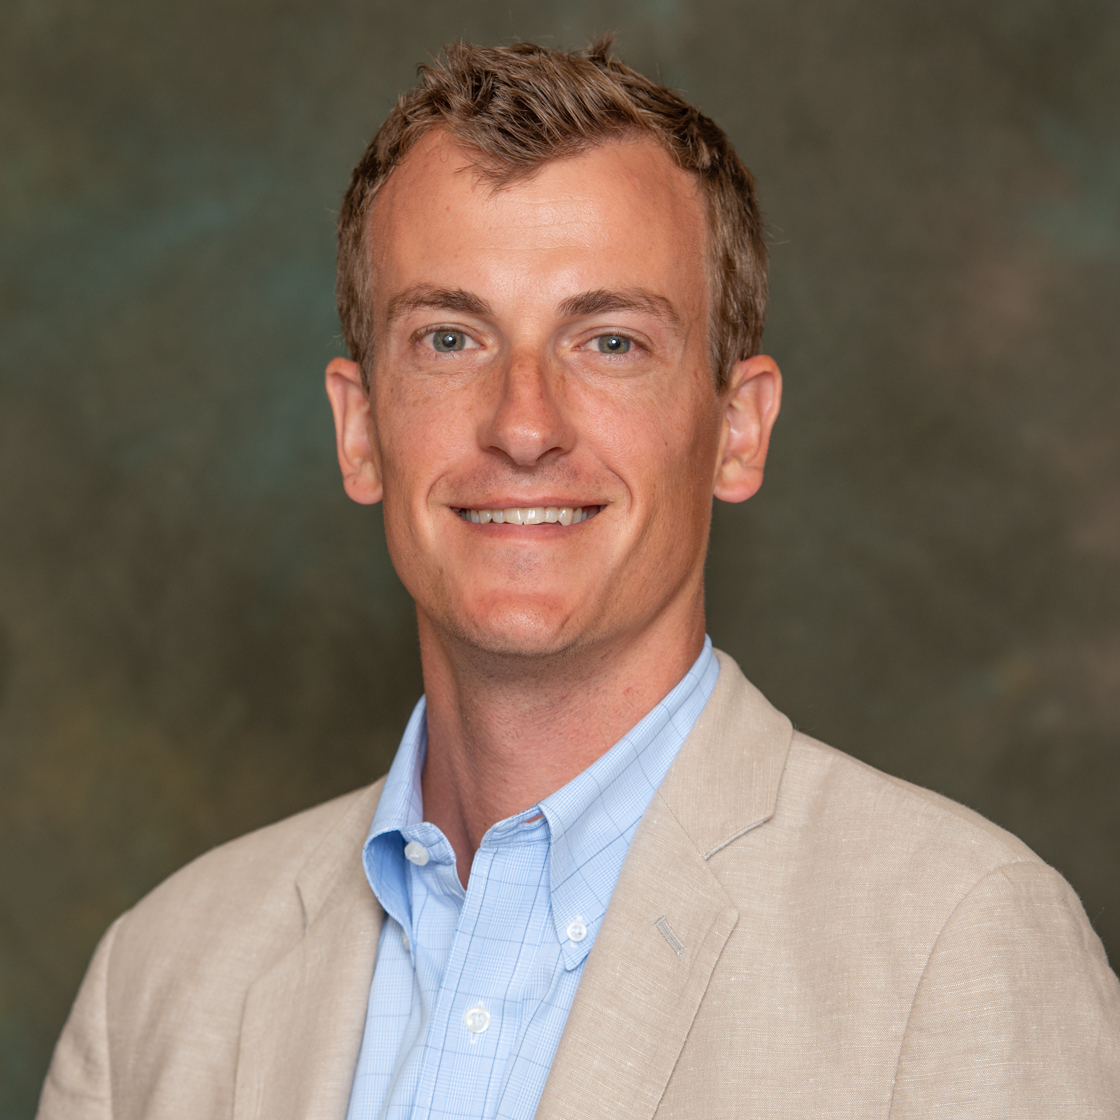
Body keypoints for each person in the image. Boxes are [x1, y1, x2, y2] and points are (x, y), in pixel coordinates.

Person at [37, 37, 1120, 1120]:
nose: (522, 424)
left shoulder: (958, 946)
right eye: (450, 337)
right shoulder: (159, 984)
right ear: (360, 429)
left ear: (737, 431)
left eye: (608, 342)